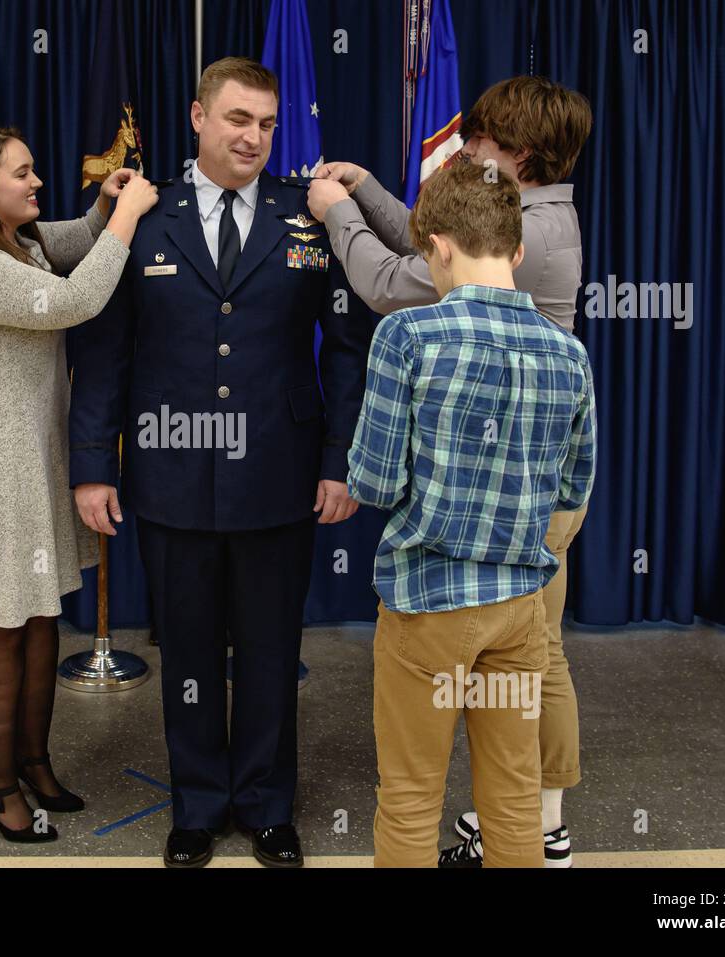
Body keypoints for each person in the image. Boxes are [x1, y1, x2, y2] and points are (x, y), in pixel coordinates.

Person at [69, 58, 370, 868]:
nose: (255, 138)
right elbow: (104, 350)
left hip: (282, 468)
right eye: (239, 119)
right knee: (191, 653)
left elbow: (346, 350)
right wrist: (94, 463)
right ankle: (198, 805)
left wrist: (341, 459)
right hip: (172, 470)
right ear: (198, 116)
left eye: (268, 125)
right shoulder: (146, 215)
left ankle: (269, 805)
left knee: (272, 649)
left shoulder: (307, 215)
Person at [307, 75, 594, 865]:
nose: (467, 150)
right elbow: (574, 480)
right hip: (518, 601)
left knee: (409, 796)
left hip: (429, 602)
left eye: (482, 142)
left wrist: (338, 209)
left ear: (521, 156)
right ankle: (547, 826)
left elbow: (371, 477)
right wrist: (368, 193)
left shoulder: (408, 338)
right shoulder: (566, 347)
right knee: (507, 797)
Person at [0, 128, 157, 844]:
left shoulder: (13, 242)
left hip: (30, 453)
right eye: (22, 175)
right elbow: (73, 301)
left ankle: (31, 760)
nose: (36, 183)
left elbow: (73, 237)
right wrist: (128, 216)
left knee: (39, 612)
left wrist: (103, 208)